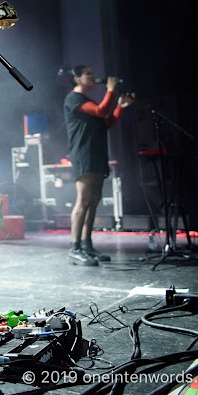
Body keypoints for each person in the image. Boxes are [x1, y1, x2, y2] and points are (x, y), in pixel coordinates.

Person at [63, 66, 135, 266]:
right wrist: (110, 90)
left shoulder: (87, 101)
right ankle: (74, 247)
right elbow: (101, 111)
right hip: (84, 154)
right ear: (77, 79)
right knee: (84, 199)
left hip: (96, 154)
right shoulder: (73, 99)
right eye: (88, 74)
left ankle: (87, 245)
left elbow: (104, 122)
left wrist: (120, 106)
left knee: (94, 200)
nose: (93, 77)